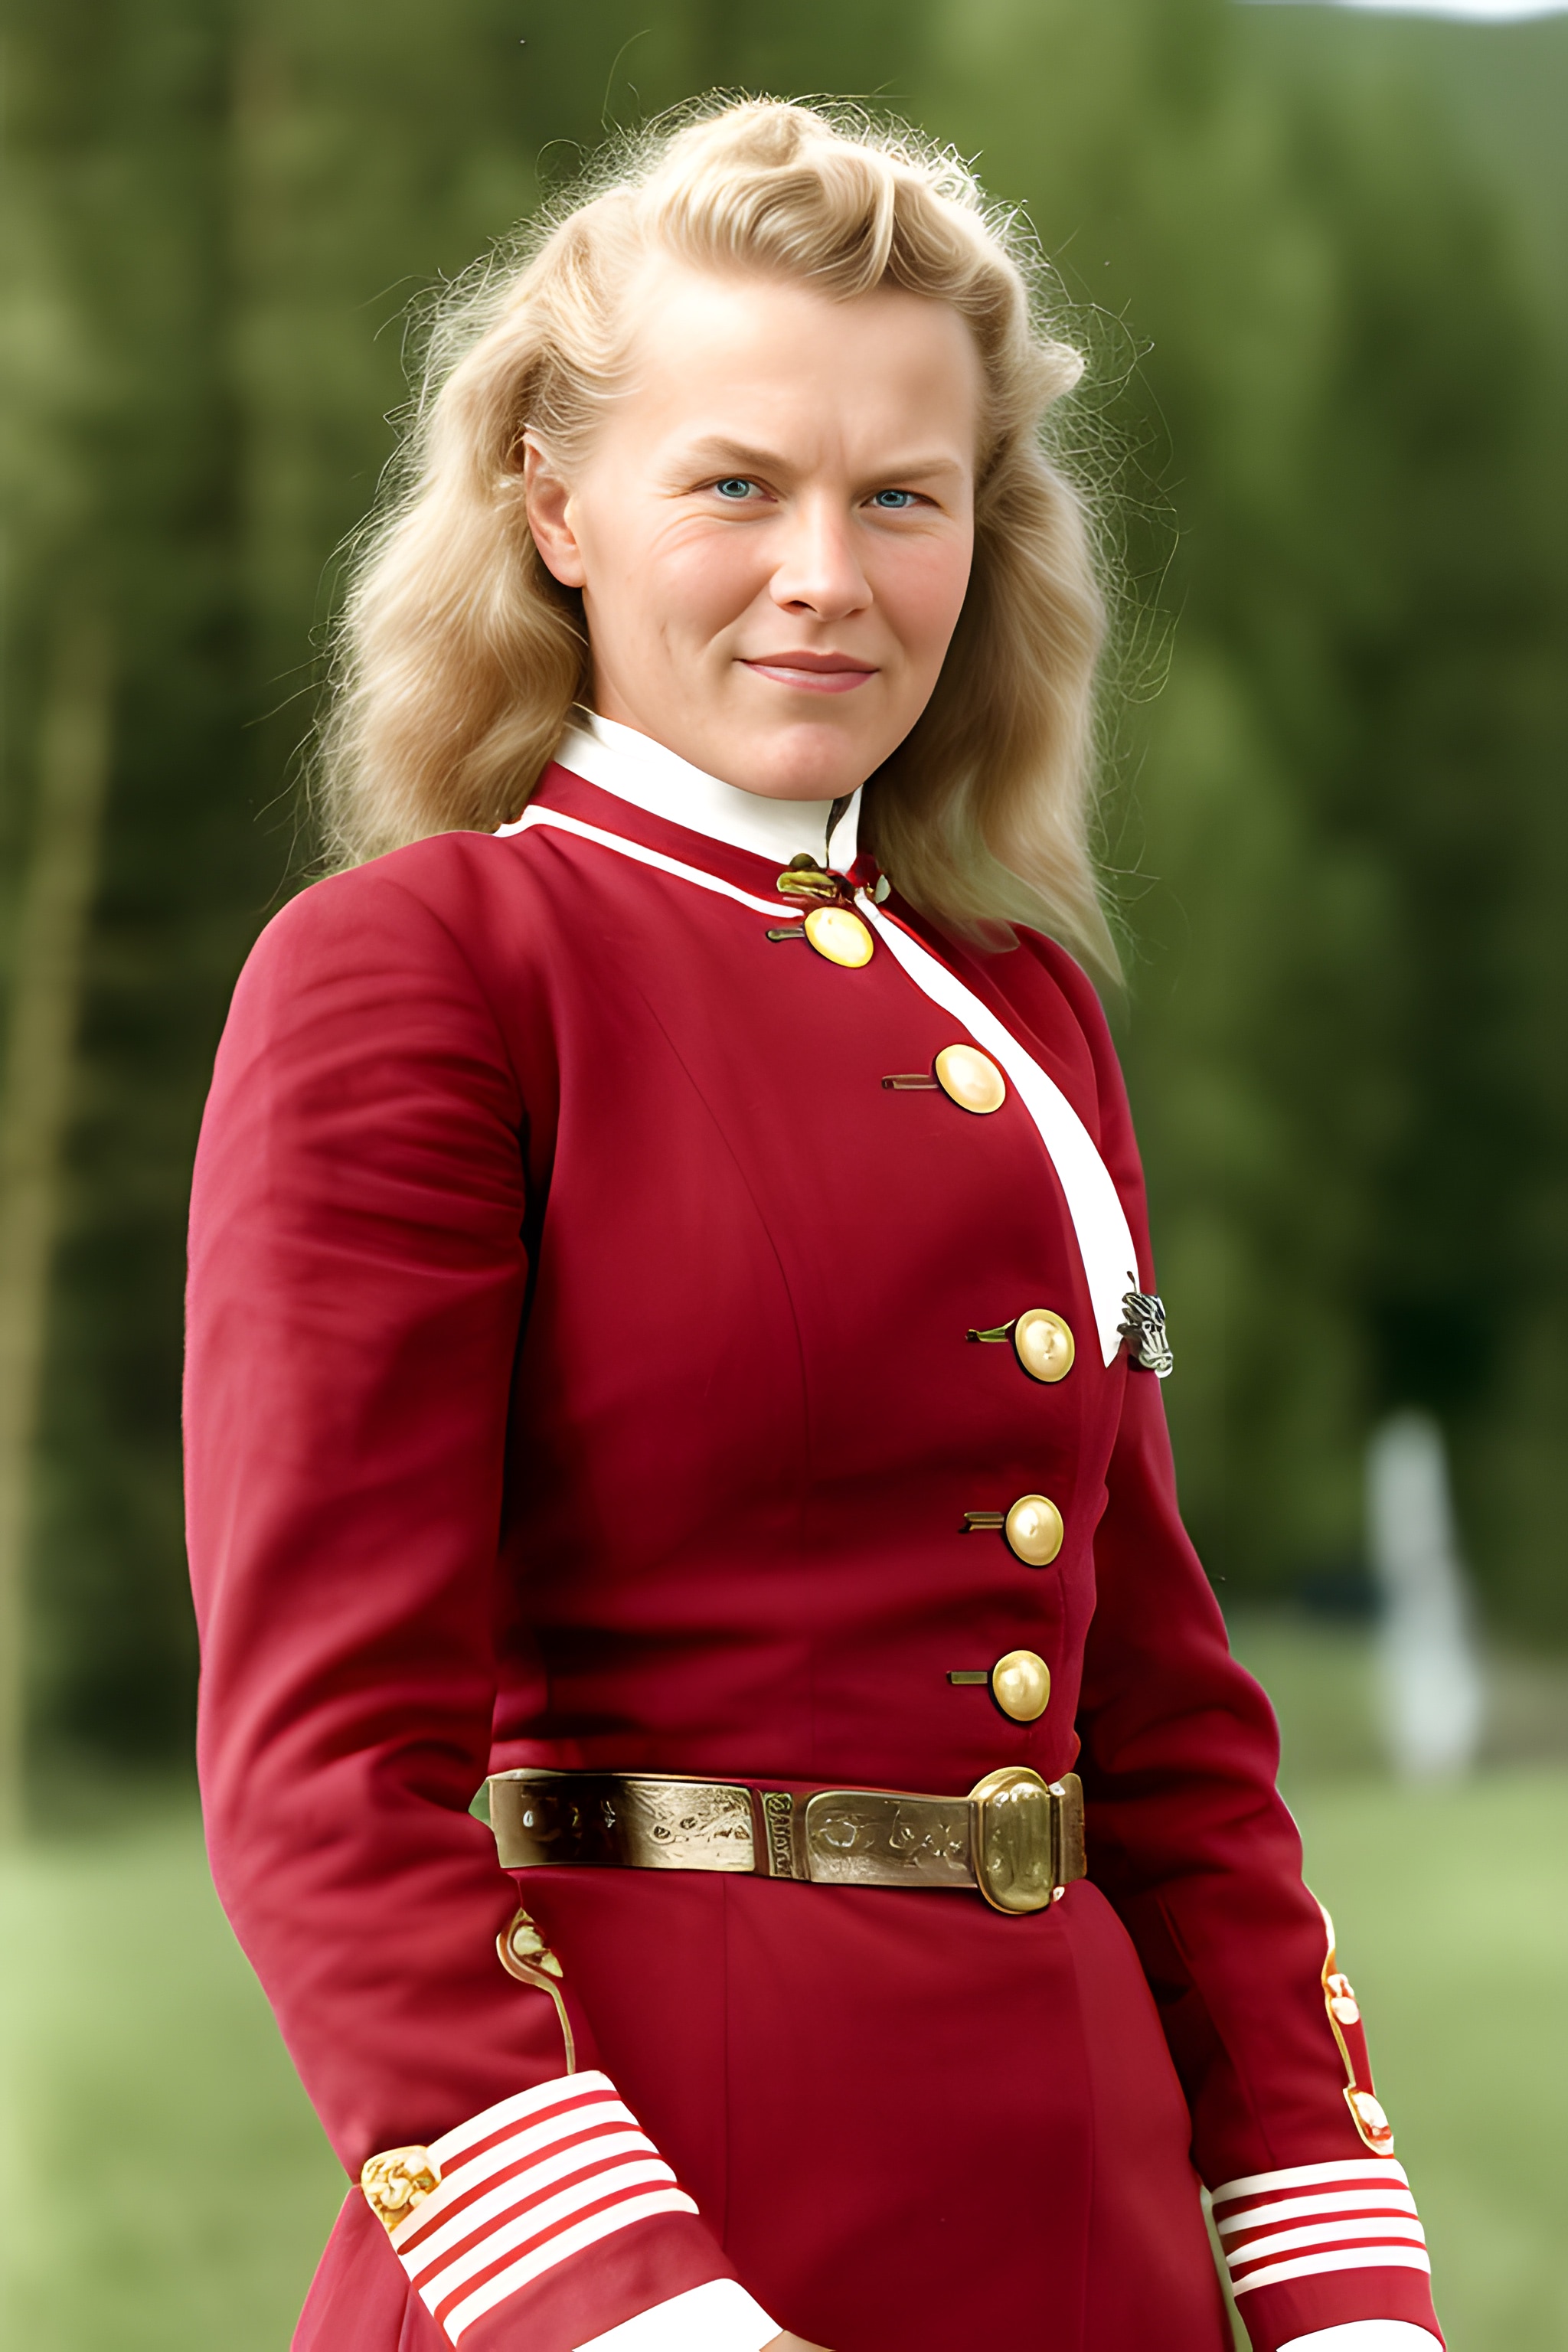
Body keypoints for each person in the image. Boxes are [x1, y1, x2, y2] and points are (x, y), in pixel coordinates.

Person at [184, 99, 1444, 2352]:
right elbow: (326, 1775)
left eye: (902, 496)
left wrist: (1337, 2275)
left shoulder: (1025, 1010)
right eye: (736, 486)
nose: (826, 576)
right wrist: (638, 2310)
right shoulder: (423, 970)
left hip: (1091, 2235)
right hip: (653, 2229)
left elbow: (1161, 1723)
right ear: (557, 508)